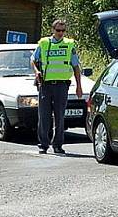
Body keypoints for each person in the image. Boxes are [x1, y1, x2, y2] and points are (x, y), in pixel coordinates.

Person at [31, 19, 83, 155]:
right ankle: (43, 144)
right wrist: (36, 71)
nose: (60, 33)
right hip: (45, 85)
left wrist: (79, 86)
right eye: (58, 30)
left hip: (62, 85)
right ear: (52, 30)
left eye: (63, 31)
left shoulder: (69, 45)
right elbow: (33, 60)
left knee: (60, 117)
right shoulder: (43, 44)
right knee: (44, 116)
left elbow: (76, 66)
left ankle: (58, 145)